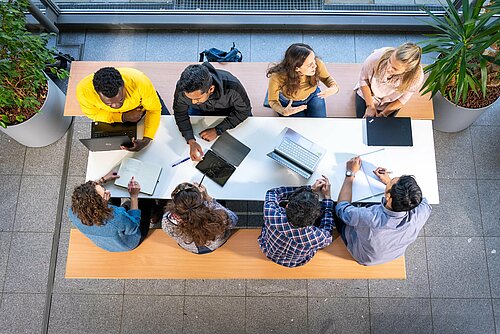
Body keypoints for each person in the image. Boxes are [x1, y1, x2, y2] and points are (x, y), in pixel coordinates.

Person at [335, 156, 432, 266]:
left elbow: (342, 208)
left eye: (391, 181)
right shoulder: (422, 211)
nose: (390, 180)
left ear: (388, 197)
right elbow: (423, 201)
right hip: (392, 252)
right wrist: (390, 184)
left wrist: (350, 173)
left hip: (364, 256)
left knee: (336, 209)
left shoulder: (369, 217)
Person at [76, 67, 170, 152]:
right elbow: (93, 114)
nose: (116, 106)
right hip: (113, 117)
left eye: (121, 100)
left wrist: (147, 139)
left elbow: (153, 110)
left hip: (142, 109)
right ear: (97, 93)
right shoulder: (84, 92)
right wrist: (123, 117)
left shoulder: (140, 82)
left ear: (124, 86)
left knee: (169, 128)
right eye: (109, 104)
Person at [173, 63, 252, 161]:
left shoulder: (233, 87)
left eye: (197, 98)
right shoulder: (182, 88)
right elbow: (180, 113)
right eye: (190, 98)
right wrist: (190, 140)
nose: (193, 102)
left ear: (211, 89)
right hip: (199, 110)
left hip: (227, 111)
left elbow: (244, 111)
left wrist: (217, 130)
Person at [258, 176, 334, 267]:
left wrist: (309, 188)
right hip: (296, 262)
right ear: (315, 217)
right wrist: (328, 198)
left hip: (267, 250)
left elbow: (273, 192)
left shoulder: (271, 214)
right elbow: (328, 234)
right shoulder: (316, 237)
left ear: (287, 206)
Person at [68, 171, 150, 252]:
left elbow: (89, 194)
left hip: (105, 243)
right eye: (104, 194)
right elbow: (134, 226)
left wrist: (102, 180)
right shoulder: (116, 218)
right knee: (147, 202)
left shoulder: (72, 212)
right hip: (128, 243)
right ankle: (154, 214)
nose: (108, 192)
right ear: (97, 205)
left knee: (114, 199)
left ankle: (125, 206)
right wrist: (134, 196)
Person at [266, 43, 339, 118]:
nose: (315, 65)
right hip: (290, 102)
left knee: (319, 124)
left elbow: (327, 78)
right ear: (297, 68)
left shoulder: (317, 63)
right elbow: (272, 100)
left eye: (314, 60)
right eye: (310, 64)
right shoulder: (277, 76)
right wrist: (283, 111)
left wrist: (334, 87)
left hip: (313, 95)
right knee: (299, 126)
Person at [162, 182, 237, 254]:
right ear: (201, 201)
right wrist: (209, 199)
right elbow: (234, 218)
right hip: (215, 244)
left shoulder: (166, 221)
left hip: (190, 247)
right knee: (220, 201)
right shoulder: (219, 217)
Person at [355, 42, 424, 118]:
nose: (388, 68)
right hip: (369, 95)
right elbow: (363, 80)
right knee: (361, 121)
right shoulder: (375, 58)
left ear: (408, 70)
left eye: (395, 68)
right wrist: (370, 106)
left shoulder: (416, 77)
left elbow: (403, 99)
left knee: (385, 126)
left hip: (389, 103)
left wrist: (384, 114)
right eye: (390, 61)